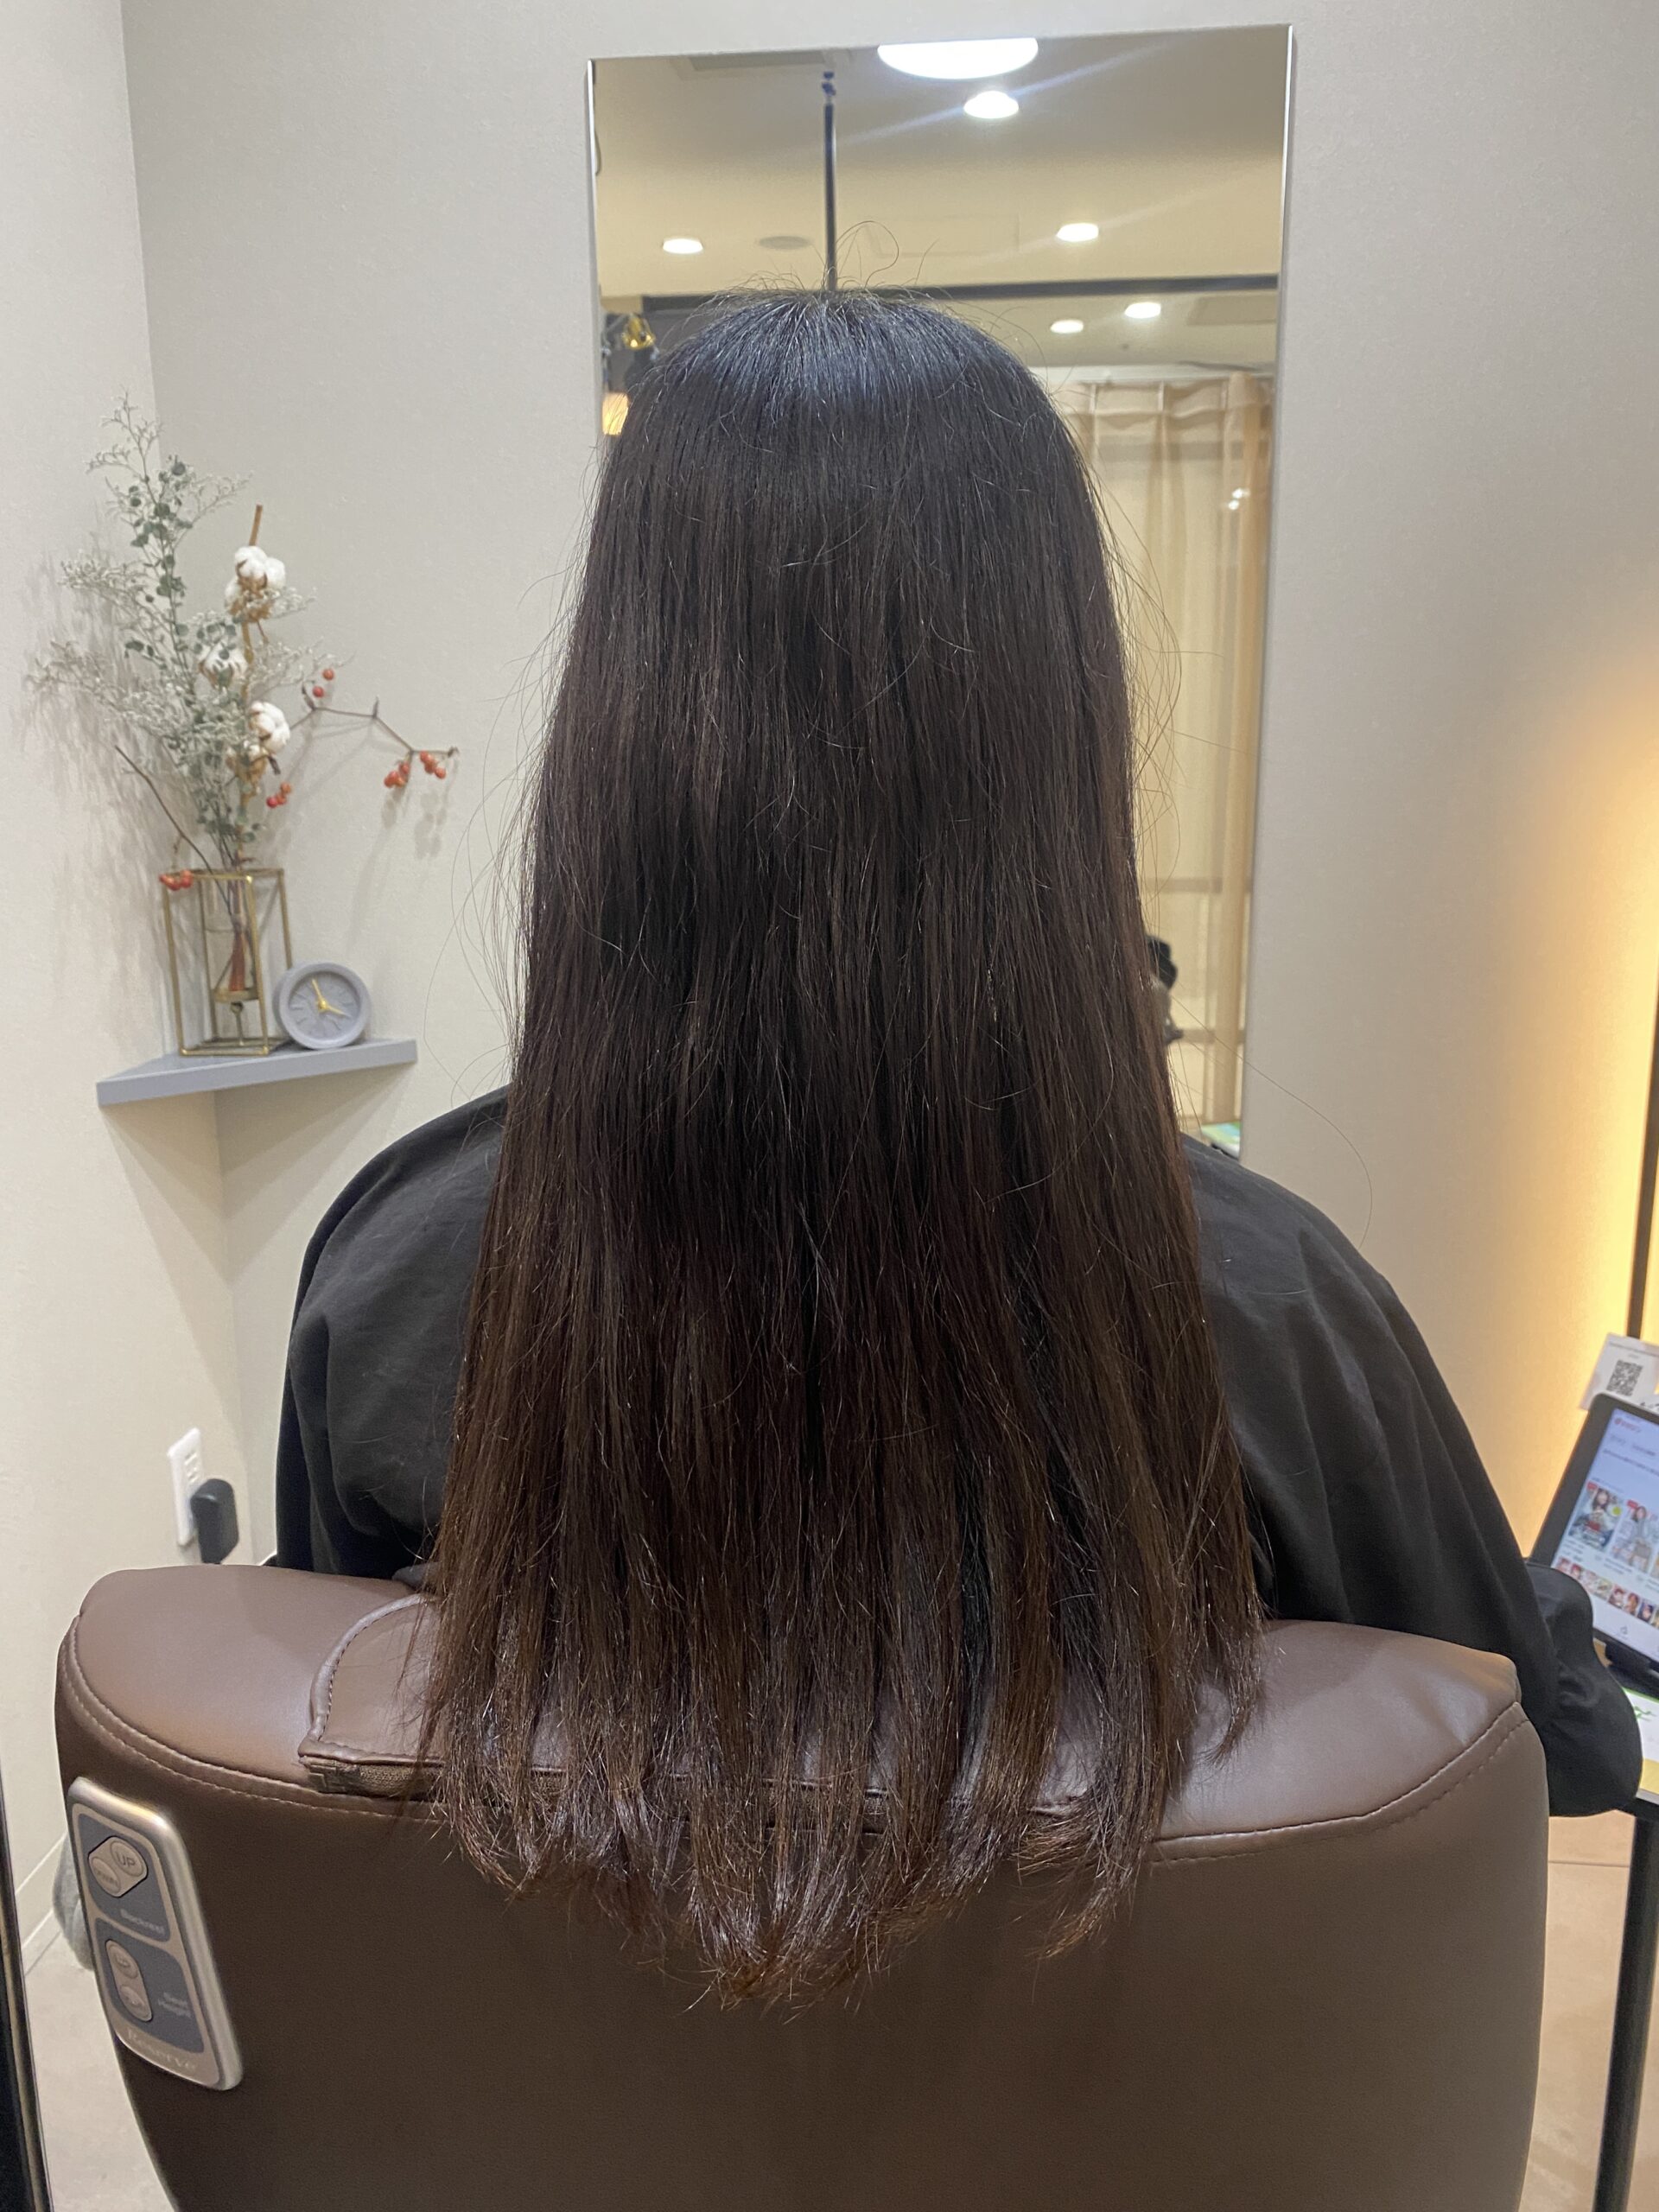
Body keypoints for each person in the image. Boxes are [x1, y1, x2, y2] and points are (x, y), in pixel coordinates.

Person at [276, 293, 1637, 1997]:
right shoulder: (1265, 1304)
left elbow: (329, 1716)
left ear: (619, 722)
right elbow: (1560, 1742)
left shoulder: (400, 1263)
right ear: (1062, 735)